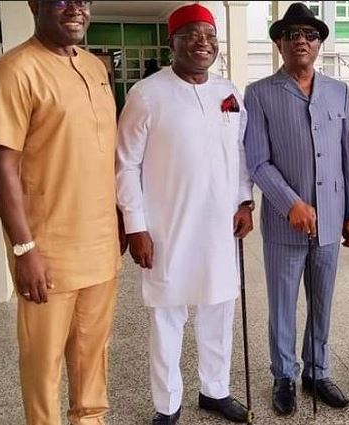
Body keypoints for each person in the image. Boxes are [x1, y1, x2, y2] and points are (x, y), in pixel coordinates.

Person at [0, 0, 123, 424]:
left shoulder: (95, 68)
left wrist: (119, 217)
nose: (76, 8)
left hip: (100, 247)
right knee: (43, 368)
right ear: (35, 5)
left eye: (83, 0)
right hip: (48, 252)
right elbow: (2, 165)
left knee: (93, 358)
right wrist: (24, 249)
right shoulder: (13, 70)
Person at [116, 4, 254, 424]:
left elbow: (240, 153)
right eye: (192, 35)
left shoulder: (228, 92)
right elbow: (126, 165)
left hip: (219, 227)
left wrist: (245, 201)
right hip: (167, 227)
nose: (203, 43)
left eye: (209, 36)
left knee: (218, 312)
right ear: (172, 42)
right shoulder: (146, 94)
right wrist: (136, 226)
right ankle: (167, 405)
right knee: (167, 317)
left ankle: (215, 391)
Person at [243, 2, 349, 416]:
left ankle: (317, 370)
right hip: (284, 224)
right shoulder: (259, 93)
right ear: (279, 43)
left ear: (319, 44)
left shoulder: (338, 91)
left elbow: (346, 156)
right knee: (282, 305)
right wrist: (290, 203)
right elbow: (257, 160)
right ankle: (284, 376)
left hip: (330, 218)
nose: (301, 41)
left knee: (323, 301)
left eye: (310, 35)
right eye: (292, 34)